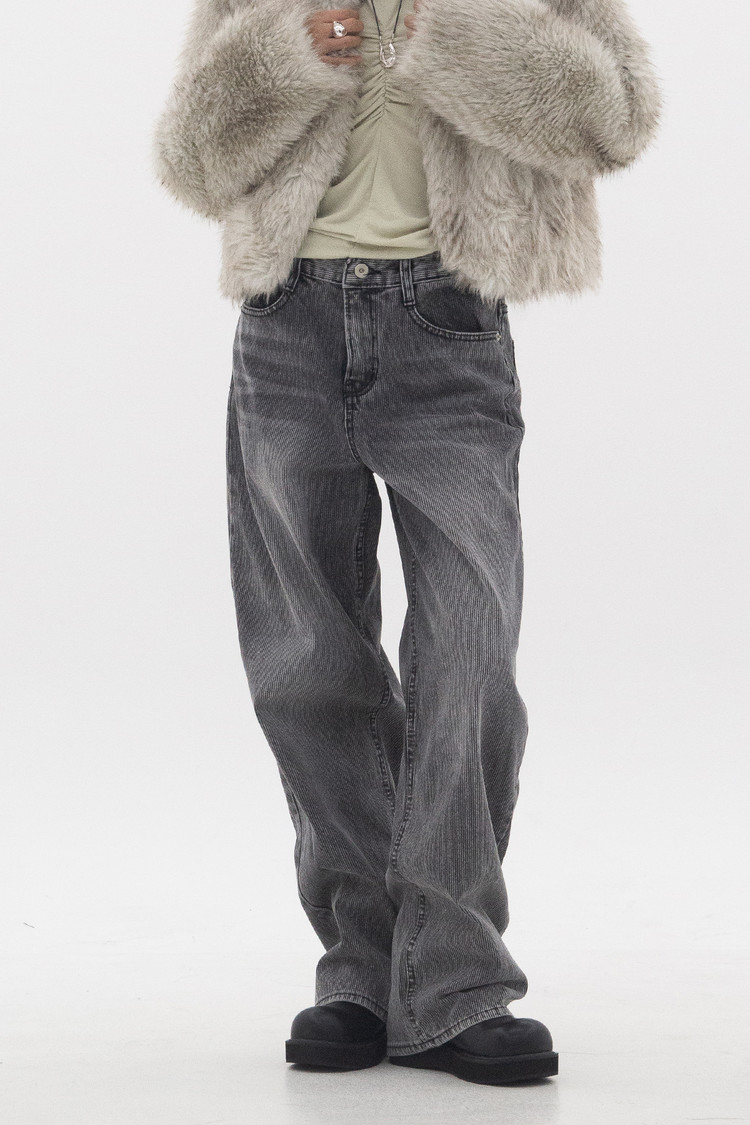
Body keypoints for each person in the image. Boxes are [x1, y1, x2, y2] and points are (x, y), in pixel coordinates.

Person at [151, 0, 661, 1086]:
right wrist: (284, 56)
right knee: (307, 662)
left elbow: (616, 119)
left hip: (448, 322)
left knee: (470, 648)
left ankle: (456, 975)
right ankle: (364, 965)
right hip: (286, 325)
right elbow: (191, 160)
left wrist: (464, 40)